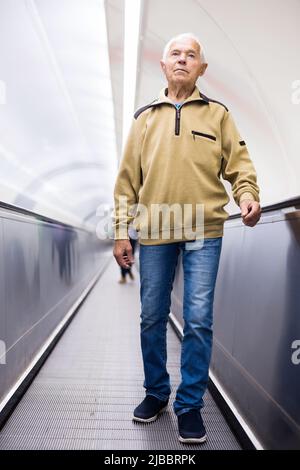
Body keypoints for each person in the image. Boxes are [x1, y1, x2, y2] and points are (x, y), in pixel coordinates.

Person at [113, 32, 261, 444]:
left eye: (190, 55)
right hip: (155, 231)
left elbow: (240, 166)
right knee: (151, 317)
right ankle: (156, 392)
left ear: (202, 68)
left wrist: (247, 195)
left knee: (197, 321)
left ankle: (190, 405)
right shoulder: (144, 118)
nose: (182, 60)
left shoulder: (219, 115)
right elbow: (127, 180)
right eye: (175, 54)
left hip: (203, 230)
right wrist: (121, 230)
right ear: (162, 65)